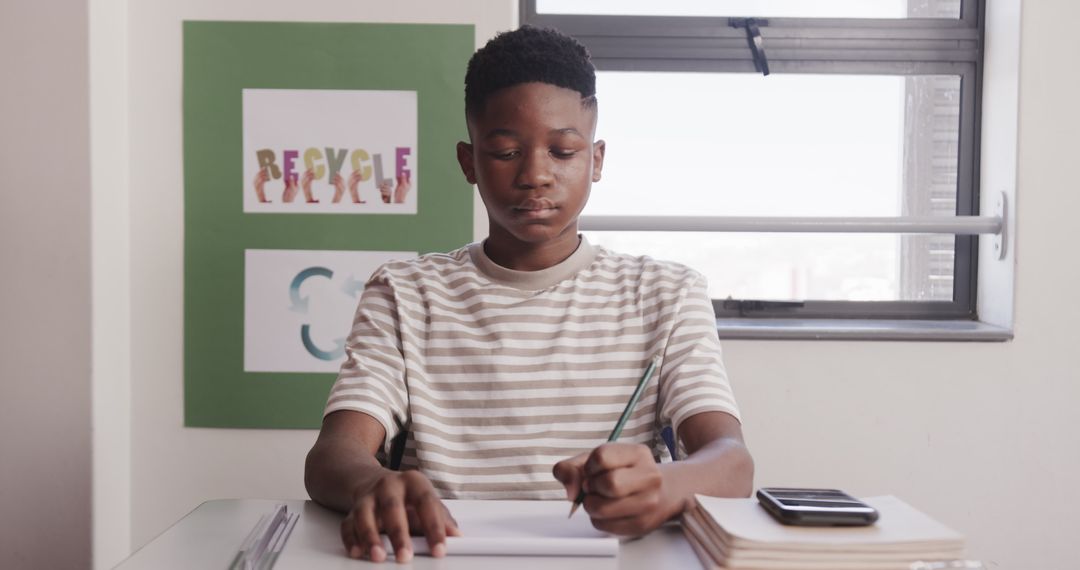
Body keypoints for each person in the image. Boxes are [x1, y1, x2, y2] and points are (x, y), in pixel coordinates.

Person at [304, 25, 753, 564]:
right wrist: (370, 484)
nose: (536, 175)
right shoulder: (404, 293)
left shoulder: (666, 294)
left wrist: (669, 484)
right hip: (444, 556)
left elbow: (732, 463)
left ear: (598, 160)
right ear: (469, 163)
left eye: (564, 150)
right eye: (506, 151)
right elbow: (333, 455)